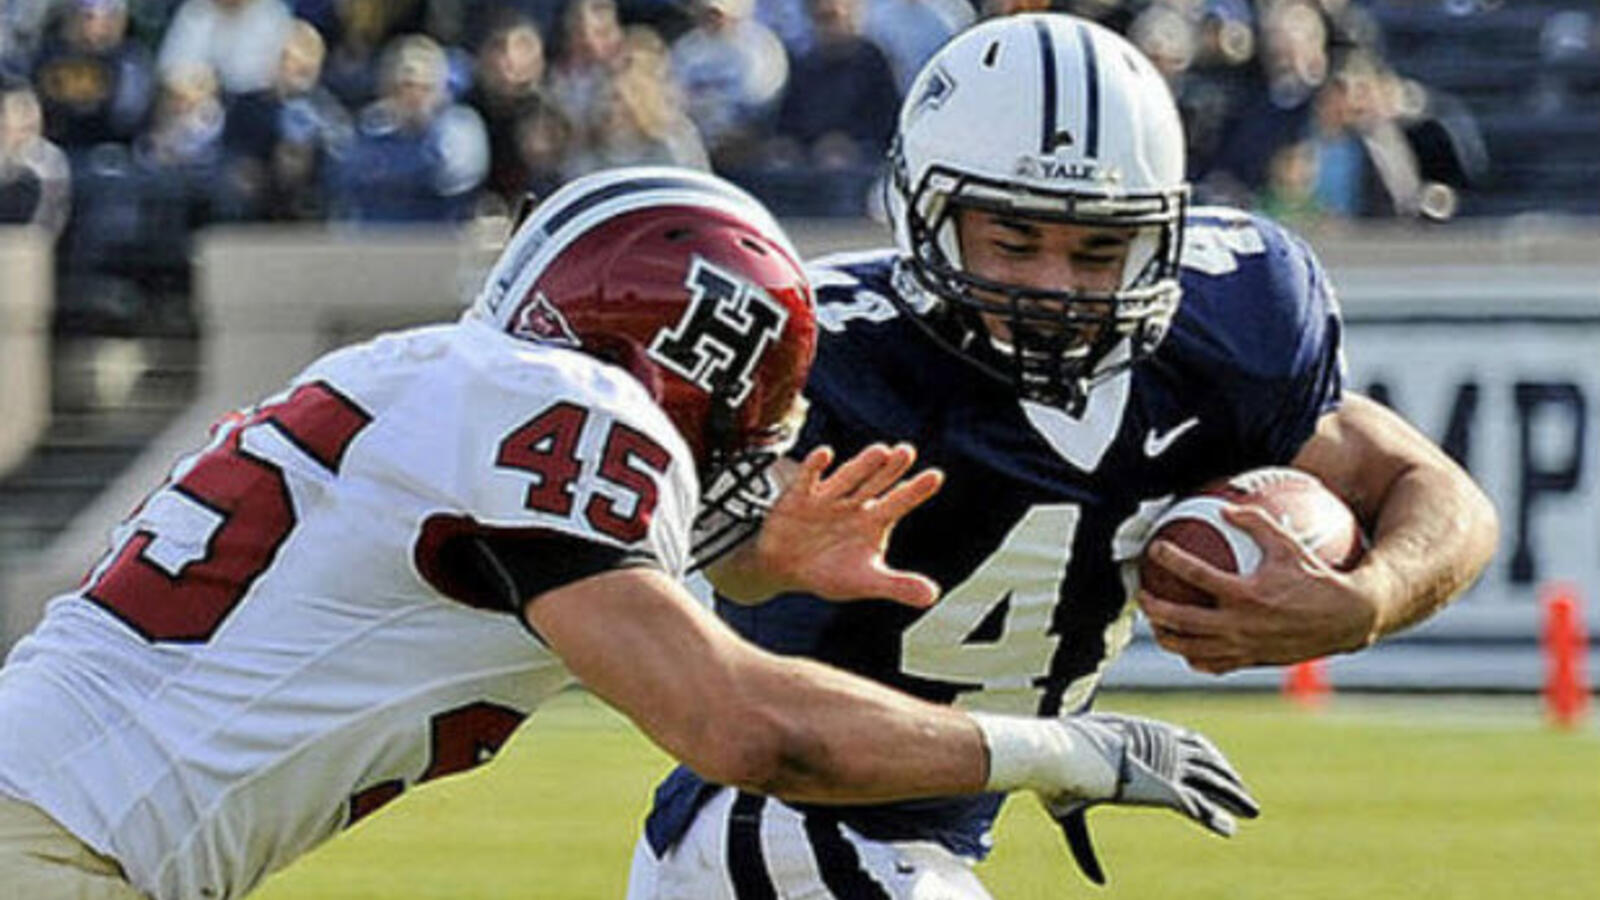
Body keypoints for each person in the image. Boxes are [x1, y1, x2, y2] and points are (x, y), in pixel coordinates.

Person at [0, 166, 1258, 900]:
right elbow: (746, 729)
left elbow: (478, 575)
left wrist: (739, 554)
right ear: (707, 357)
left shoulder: (448, 379)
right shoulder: (572, 405)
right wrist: (1069, 752)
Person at [631, 14, 1498, 899]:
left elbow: (1434, 491)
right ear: (925, 214)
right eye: (1013, 242)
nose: (1055, 288)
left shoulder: (1229, 329)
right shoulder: (831, 351)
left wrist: (1368, 600)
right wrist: (761, 551)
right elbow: (730, 569)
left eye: (1098, 250)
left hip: (903, 847)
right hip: (783, 831)